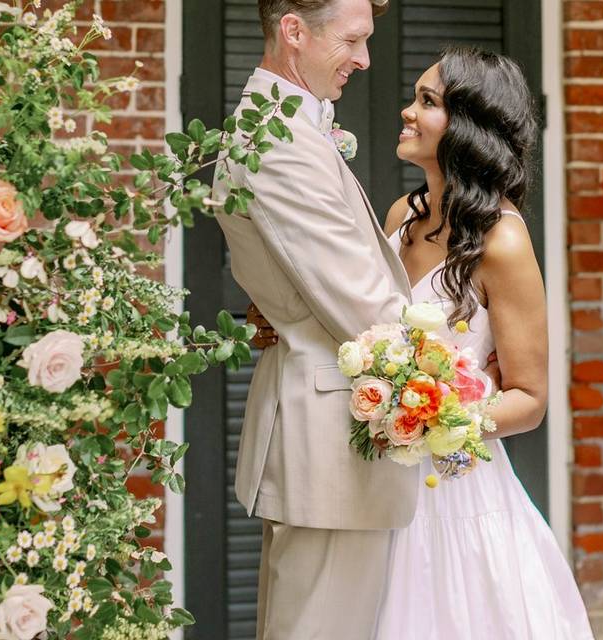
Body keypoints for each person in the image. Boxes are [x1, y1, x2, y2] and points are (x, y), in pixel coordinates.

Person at [211, 1, 418, 638]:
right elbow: (361, 302)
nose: (365, 60)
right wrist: (461, 380)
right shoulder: (278, 140)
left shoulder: (285, 126)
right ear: (295, 33)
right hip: (334, 439)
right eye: (353, 40)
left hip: (330, 433)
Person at [373, 47, 595, 639]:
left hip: (456, 489)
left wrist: (435, 419)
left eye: (427, 102)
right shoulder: (401, 216)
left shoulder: (503, 242)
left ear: (467, 125)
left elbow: (529, 397)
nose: (407, 111)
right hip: (378, 488)